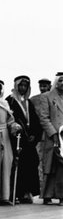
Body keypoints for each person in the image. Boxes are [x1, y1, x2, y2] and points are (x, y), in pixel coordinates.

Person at [6, 75, 42, 203]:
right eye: (20, 85)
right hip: (16, 139)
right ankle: (16, 193)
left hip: (29, 141)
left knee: (31, 164)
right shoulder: (9, 101)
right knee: (17, 166)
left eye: (25, 86)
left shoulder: (28, 102)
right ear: (16, 86)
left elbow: (35, 121)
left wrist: (35, 134)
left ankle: (27, 192)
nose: (22, 88)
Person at [36, 73, 63, 204]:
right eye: (61, 80)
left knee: (61, 166)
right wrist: (53, 133)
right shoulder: (46, 97)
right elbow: (44, 117)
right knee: (49, 165)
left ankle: (61, 195)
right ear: (56, 82)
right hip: (52, 136)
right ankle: (47, 195)